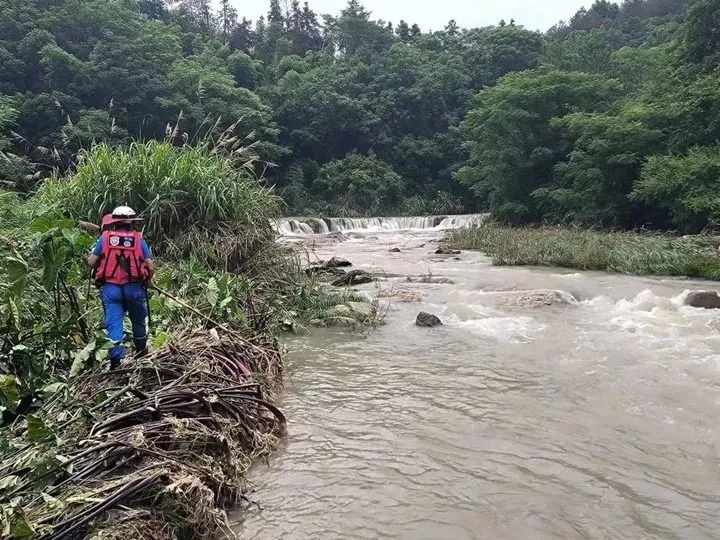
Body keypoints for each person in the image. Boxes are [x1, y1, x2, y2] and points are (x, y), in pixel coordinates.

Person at [87, 206, 155, 370]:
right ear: (131, 222)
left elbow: (91, 262)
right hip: (135, 289)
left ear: (115, 222)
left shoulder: (105, 239)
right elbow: (150, 266)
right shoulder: (139, 240)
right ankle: (140, 352)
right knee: (138, 320)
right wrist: (149, 279)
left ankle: (116, 362)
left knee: (114, 324)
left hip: (111, 289)